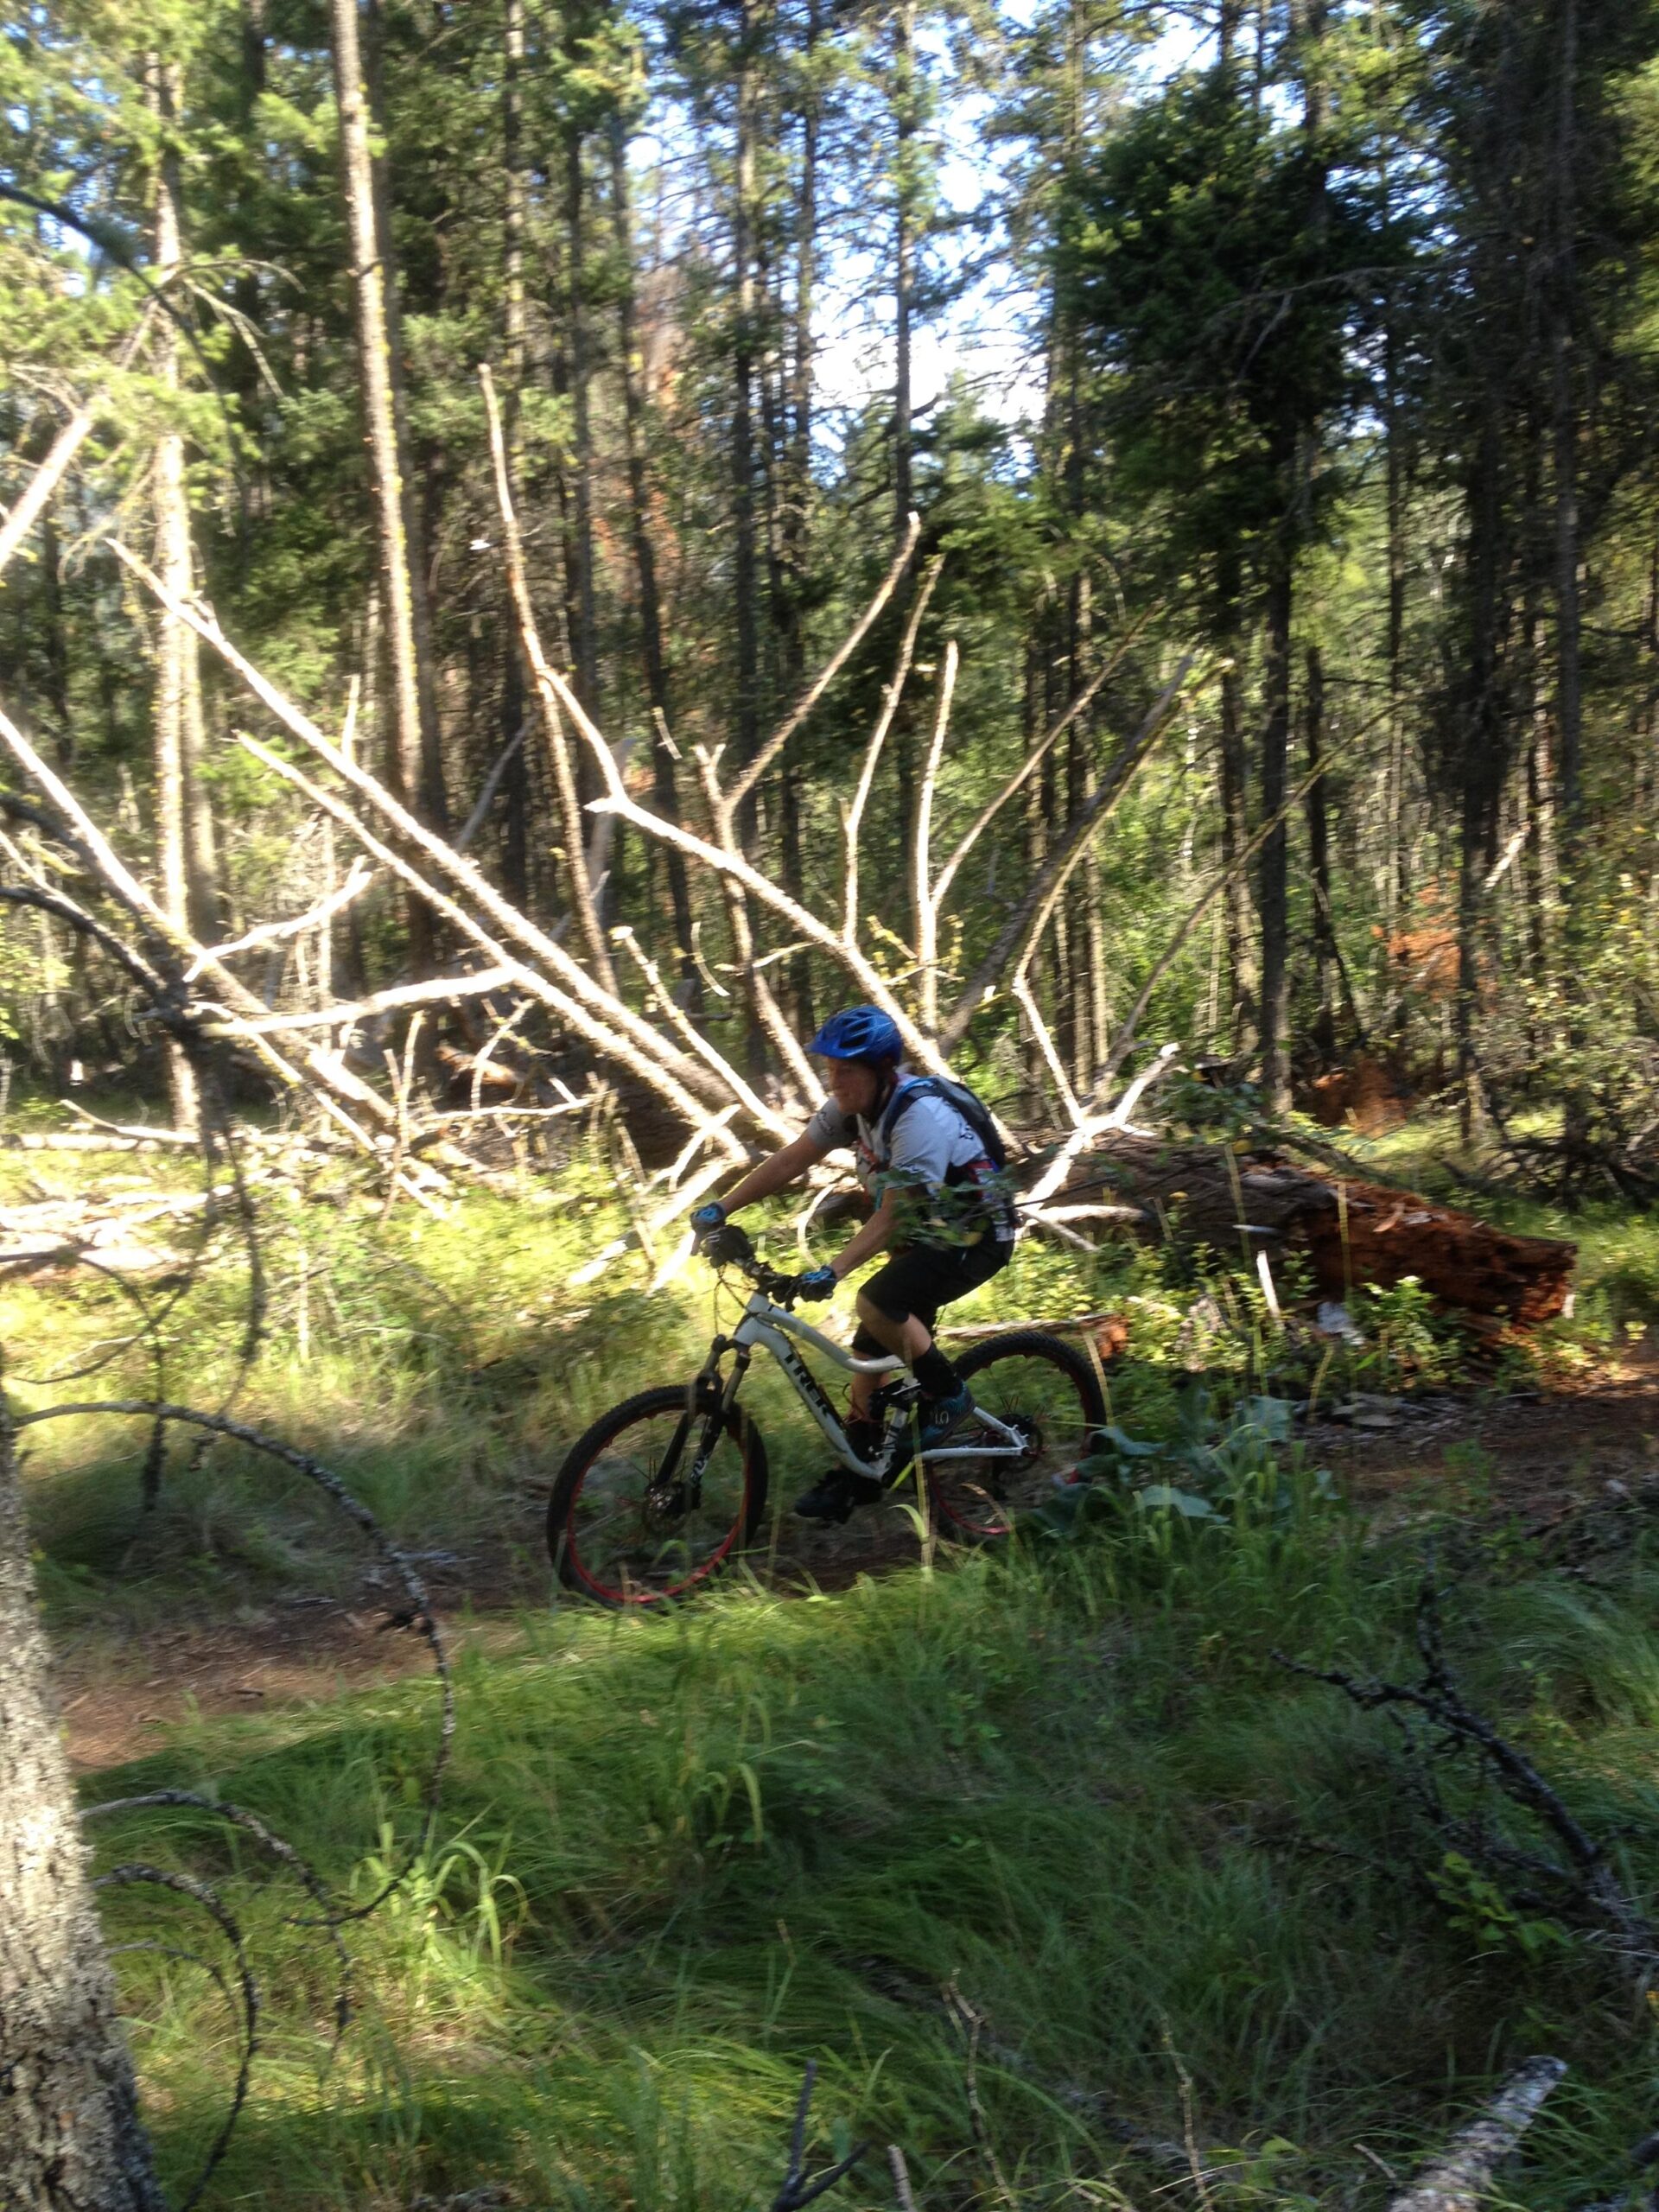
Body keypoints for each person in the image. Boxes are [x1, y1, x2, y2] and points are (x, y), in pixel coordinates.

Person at [690, 1004, 1014, 1522]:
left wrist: (833, 1271)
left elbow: (892, 1216)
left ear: (881, 1071)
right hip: (928, 1230)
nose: (835, 1082)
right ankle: (860, 1472)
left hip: (977, 1232)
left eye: (847, 1071)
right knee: (869, 1349)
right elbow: (793, 1158)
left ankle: (949, 1397)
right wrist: (721, 1207)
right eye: (831, 1070)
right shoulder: (852, 1110)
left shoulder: (918, 1118)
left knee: (876, 1302)